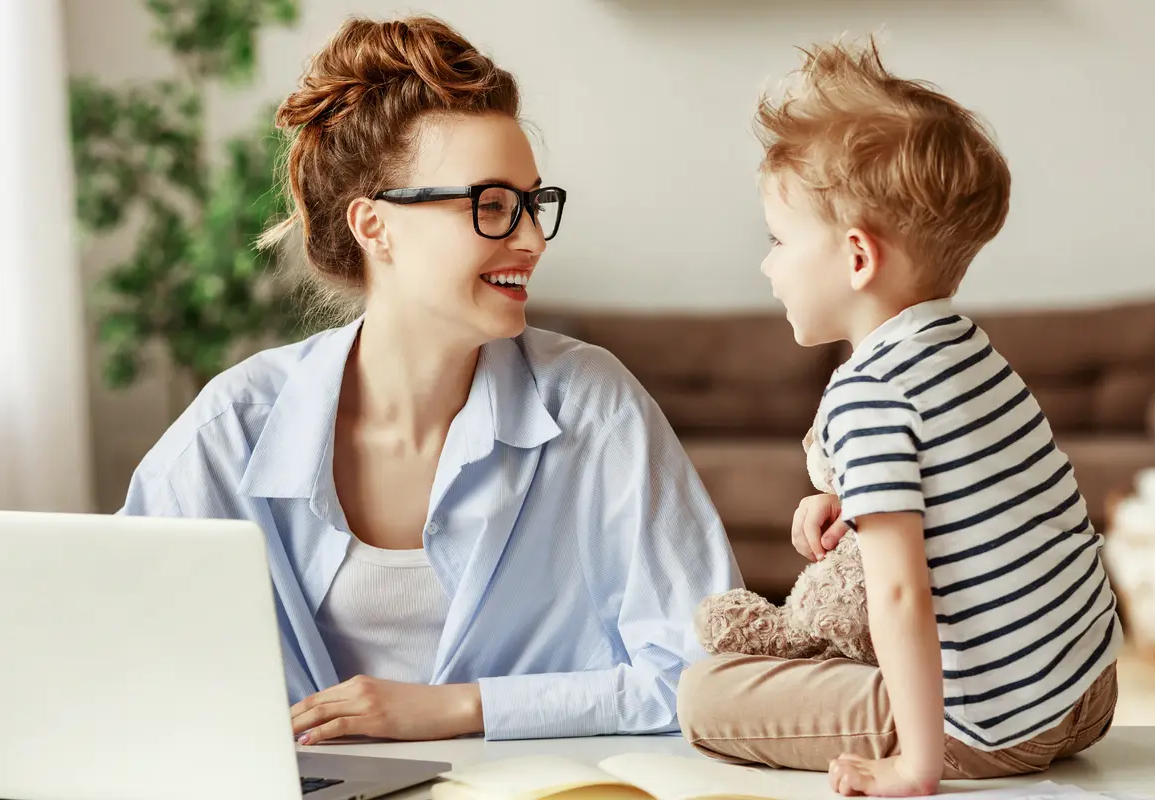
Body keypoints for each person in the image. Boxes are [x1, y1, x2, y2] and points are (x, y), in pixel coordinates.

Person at [119, 14, 741, 744]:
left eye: (532, 204)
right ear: (373, 226)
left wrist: (460, 708)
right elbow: (118, 657)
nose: (532, 239)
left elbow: (707, 674)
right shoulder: (232, 430)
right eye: (492, 205)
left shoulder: (593, 407)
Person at [675, 38, 1121, 796]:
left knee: (705, 694)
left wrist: (916, 764)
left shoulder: (868, 392)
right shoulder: (965, 348)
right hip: (1085, 686)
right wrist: (846, 500)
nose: (767, 264)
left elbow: (899, 594)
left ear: (856, 258)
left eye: (778, 241)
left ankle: (923, 740)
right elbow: (969, 500)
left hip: (993, 724)